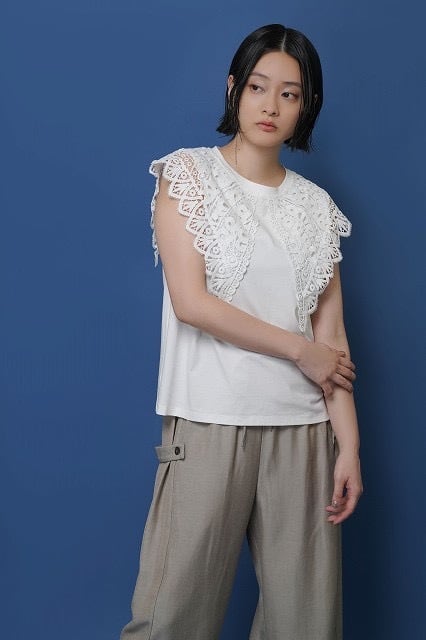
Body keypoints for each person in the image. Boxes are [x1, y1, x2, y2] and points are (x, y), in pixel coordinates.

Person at [120, 23, 363, 640]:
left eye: (289, 93)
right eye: (258, 87)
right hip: (209, 420)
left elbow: (332, 339)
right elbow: (192, 303)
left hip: (303, 431)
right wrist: (299, 350)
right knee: (172, 617)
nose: (270, 105)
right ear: (233, 89)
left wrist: (349, 446)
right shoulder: (187, 175)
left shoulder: (316, 207)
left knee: (305, 623)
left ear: (306, 105)